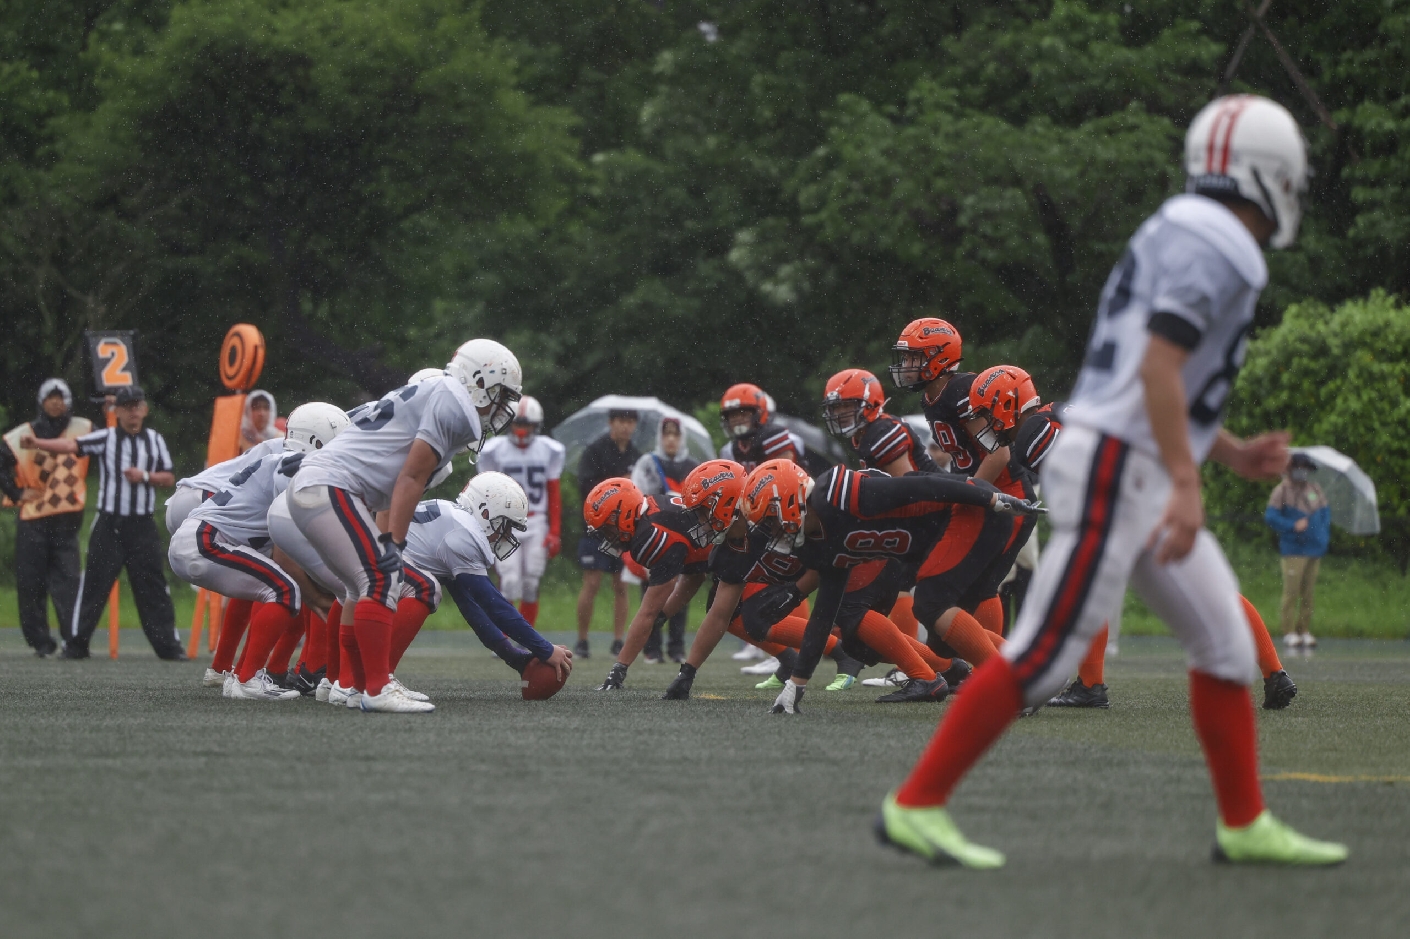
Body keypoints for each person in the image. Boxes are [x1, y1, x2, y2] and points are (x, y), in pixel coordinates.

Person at [878, 94, 1346, 869]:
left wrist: (1224, 452)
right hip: (1116, 465)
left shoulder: (1176, 226)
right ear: (1263, 175)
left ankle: (1243, 821)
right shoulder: (1223, 244)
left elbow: (1151, 371)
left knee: (1223, 644)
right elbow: (1161, 367)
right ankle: (916, 802)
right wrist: (1192, 484)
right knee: (1042, 655)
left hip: (1120, 452)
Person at [286, 338, 521, 713]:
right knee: (380, 580)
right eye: (501, 394)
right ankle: (376, 688)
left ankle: (355, 685)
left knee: (358, 587)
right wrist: (393, 542)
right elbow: (409, 479)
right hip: (330, 485)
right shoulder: (454, 403)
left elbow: (392, 483)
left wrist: (386, 538)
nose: (502, 406)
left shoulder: (436, 393)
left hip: (324, 486)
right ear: (479, 380)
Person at [23, 385, 183, 659]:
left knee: (152, 586)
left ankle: (168, 647)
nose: (133, 412)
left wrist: (143, 476)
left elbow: (168, 477)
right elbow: (71, 446)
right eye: (127, 407)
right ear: (117, 411)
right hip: (110, 524)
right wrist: (39, 443)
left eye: (137, 406)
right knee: (94, 586)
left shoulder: (154, 440)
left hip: (142, 525)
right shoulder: (107, 438)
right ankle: (75, 645)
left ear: (144, 409)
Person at [1, 379, 93, 656]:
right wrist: (16, 492)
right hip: (33, 520)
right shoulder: (18, 436)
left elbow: (108, 448)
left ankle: (71, 640)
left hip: (67, 521)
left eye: (60, 397)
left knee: (69, 583)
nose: (56, 402)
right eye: (50, 397)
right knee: (31, 582)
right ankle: (40, 642)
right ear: (41, 402)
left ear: (68, 401)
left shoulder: (84, 429)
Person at [476, 396, 566, 625]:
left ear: (536, 425)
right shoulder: (494, 451)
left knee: (530, 582)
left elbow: (553, 492)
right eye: (517, 424)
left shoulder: (549, 450)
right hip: (505, 523)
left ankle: (527, 635)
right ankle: (504, 634)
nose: (521, 430)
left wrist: (555, 530)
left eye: (526, 424)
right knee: (509, 581)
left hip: (536, 522)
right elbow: (484, 493)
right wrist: (488, 529)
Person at [630, 414, 698, 661]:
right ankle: (651, 648)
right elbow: (635, 496)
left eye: (676, 434)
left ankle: (677, 647)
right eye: (666, 433)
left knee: (680, 592)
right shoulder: (648, 463)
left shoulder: (693, 465)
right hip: (654, 537)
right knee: (651, 594)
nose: (671, 439)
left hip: (683, 538)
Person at [574, 407, 640, 659]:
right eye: (621, 420)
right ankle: (582, 640)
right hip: (597, 527)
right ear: (611, 422)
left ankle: (618, 640)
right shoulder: (595, 450)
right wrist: (618, 482)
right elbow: (585, 487)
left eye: (630, 421)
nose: (625, 426)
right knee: (591, 583)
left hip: (625, 530)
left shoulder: (637, 454)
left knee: (621, 584)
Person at [1265, 452, 1330, 649]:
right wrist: (1292, 525)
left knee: (1308, 593)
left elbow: (1325, 515)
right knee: (1291, 591)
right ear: (1291, 469)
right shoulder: (1281, 491)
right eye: (1298, 468)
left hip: (1314, 550)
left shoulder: (1315, 490)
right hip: (1293, 549)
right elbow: (1271, 517)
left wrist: (1322, 536)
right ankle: (1289, 631)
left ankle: (1304, 630)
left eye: (1305, 468)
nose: (1302, 472)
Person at [718, 383, 797, 471]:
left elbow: (782, 476)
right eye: (733, 416)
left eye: (744, 414)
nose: (738, 420)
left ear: (759, 413)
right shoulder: (730, 450)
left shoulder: (774, 437)